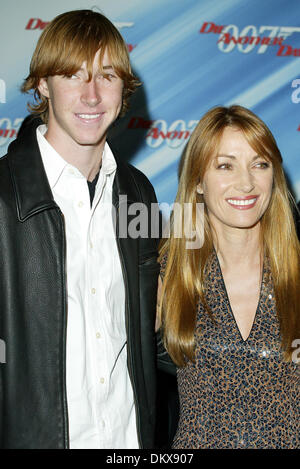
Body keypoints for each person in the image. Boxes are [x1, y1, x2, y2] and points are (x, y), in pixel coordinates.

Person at [0, 10, 160, 449]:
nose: (91, 95)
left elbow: (156, 330)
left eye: (106, 75)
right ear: (42, 85)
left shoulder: (137, 193)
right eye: (72, 75)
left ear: (123, 90)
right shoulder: (2, 196)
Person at [157, 105, 300, 449]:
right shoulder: (169, 275)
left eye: (259, 164)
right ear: (198, 181)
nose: (246, 182)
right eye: (225, 165)